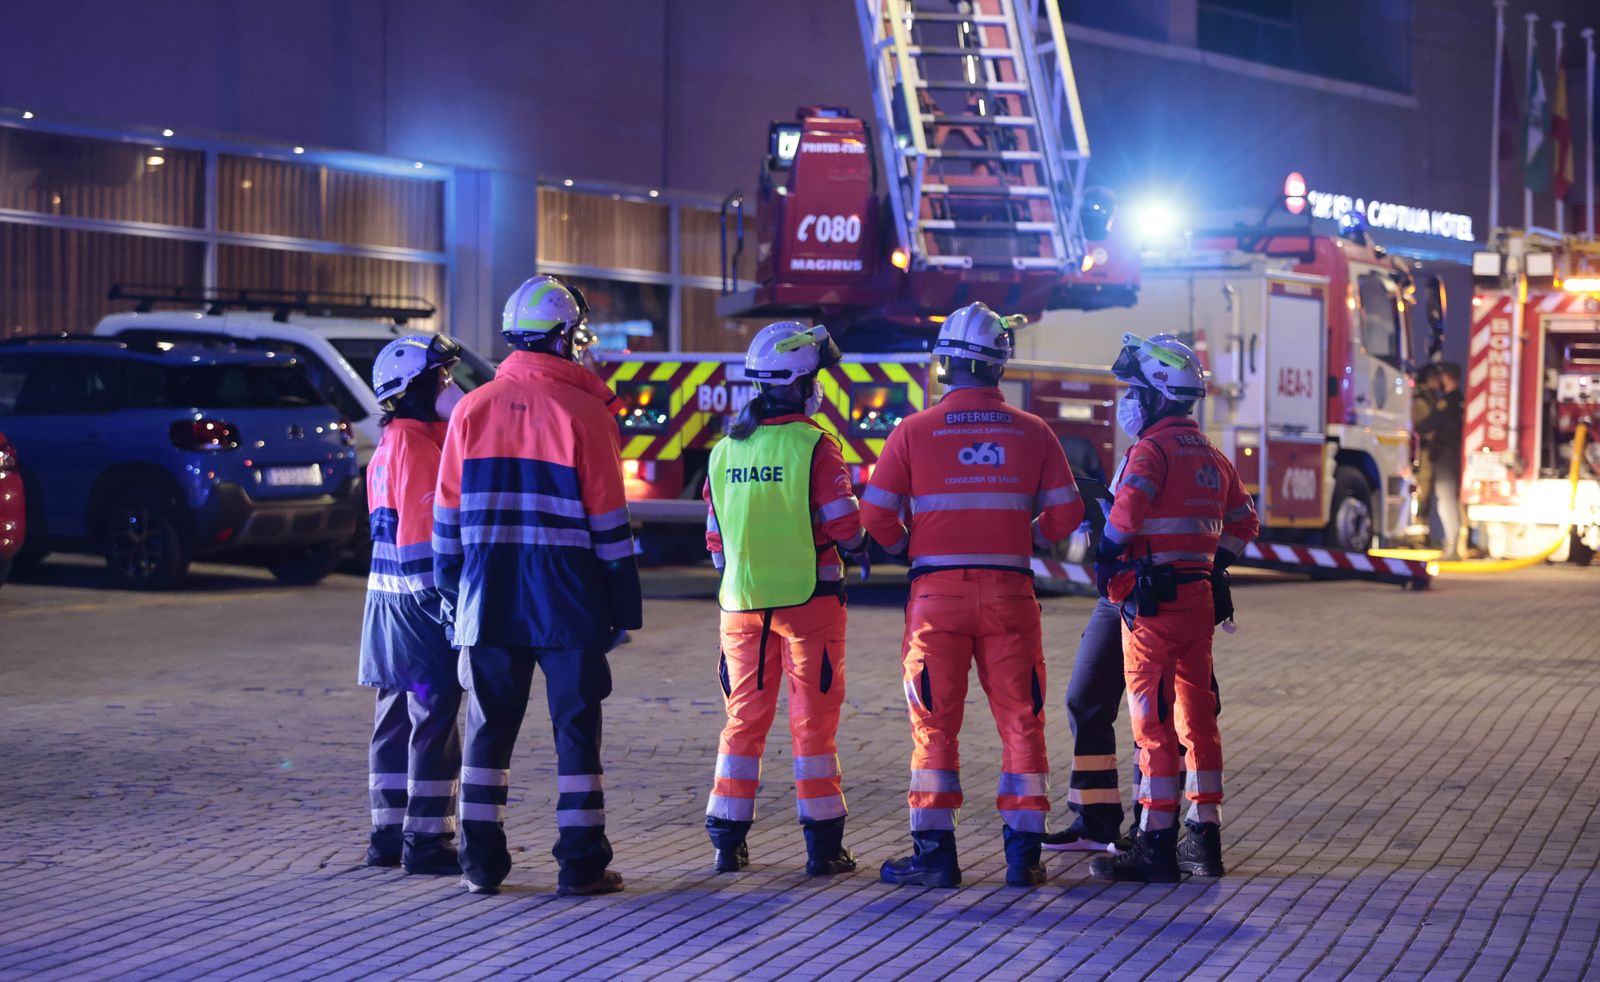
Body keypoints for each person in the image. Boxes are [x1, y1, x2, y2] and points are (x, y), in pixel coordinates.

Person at [862, 302, 1084, 888]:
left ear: (947, 364)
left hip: (936, 596)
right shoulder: (1034, 432)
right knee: (1022, 721)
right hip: (1011, 593)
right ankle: (1023, 858)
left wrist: (907, 546)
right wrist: (1024, 533)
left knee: (934, 726)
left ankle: (935, 855)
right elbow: (1067, 516)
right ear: (999, 366)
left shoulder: (914, 430)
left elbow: (875, 515)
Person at [434, 275, 642, 897]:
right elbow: (609, 520)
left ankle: (480, 865)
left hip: (488, 594)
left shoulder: (470, 408)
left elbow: (445, 519)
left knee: (487, 730)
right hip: (569, 598)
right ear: (563, 338)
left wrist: (454, 590)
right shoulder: (584, 411)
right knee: (576, 731)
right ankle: (580, 866)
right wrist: (621, 604)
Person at [1088, 333, 1258, 883]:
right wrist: (1211, 564)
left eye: (1133, 390)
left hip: (1151, 605)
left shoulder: (1151, 450)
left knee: (1151, 723)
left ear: (1158, 394)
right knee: (1198, 717)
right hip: (1198, 602)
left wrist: (1107, 548)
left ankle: (1155, 843)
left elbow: (1127, 513)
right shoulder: (1212, 455)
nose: (1127, 402)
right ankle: (1203, 837)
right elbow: (1244, 523)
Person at [701, 322, 869, 876]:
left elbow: (715, 538)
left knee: (742, 723)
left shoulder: (725, 450)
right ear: (801, 384)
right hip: (810, 605)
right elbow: (846, 527)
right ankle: (823, 849)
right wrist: (864, 540)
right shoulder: (815, 445)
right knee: (813, 728)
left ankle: (727, 843)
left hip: (740, 606)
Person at [359, 334, 467, 875]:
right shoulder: (419, 449)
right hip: (420, 608)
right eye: (441, 378)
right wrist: (450, 609)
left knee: (395, 719)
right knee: (434, 719)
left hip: (385, 607)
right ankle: (427, 842)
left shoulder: (391, 443)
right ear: (414, 389)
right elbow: (424, 545)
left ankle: (386, 833)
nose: (451, 385)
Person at [1417, 363, 1464, 560]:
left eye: (1441, 376)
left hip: (1445, 455)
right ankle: (1453, 545)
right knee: (1449, 500)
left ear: (1447, 377)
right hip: (1451, 454)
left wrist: (1413, 427)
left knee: (1446, 501)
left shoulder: (1448, 402)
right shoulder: (1459, 400)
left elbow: (1430, 423)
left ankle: (1451, 548)